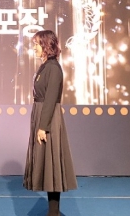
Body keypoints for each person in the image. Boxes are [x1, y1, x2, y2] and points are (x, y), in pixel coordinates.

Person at [23, 30, 77, 216]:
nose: (34, 48)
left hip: (48, 120)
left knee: (52, 165)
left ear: (46, 45)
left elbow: (51, 98)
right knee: (46, 165)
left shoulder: (53, 68)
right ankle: (52, 210)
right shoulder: (45, 66)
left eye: (37, 44)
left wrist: (42, 127)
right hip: (41, 116)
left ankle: (54, 212)